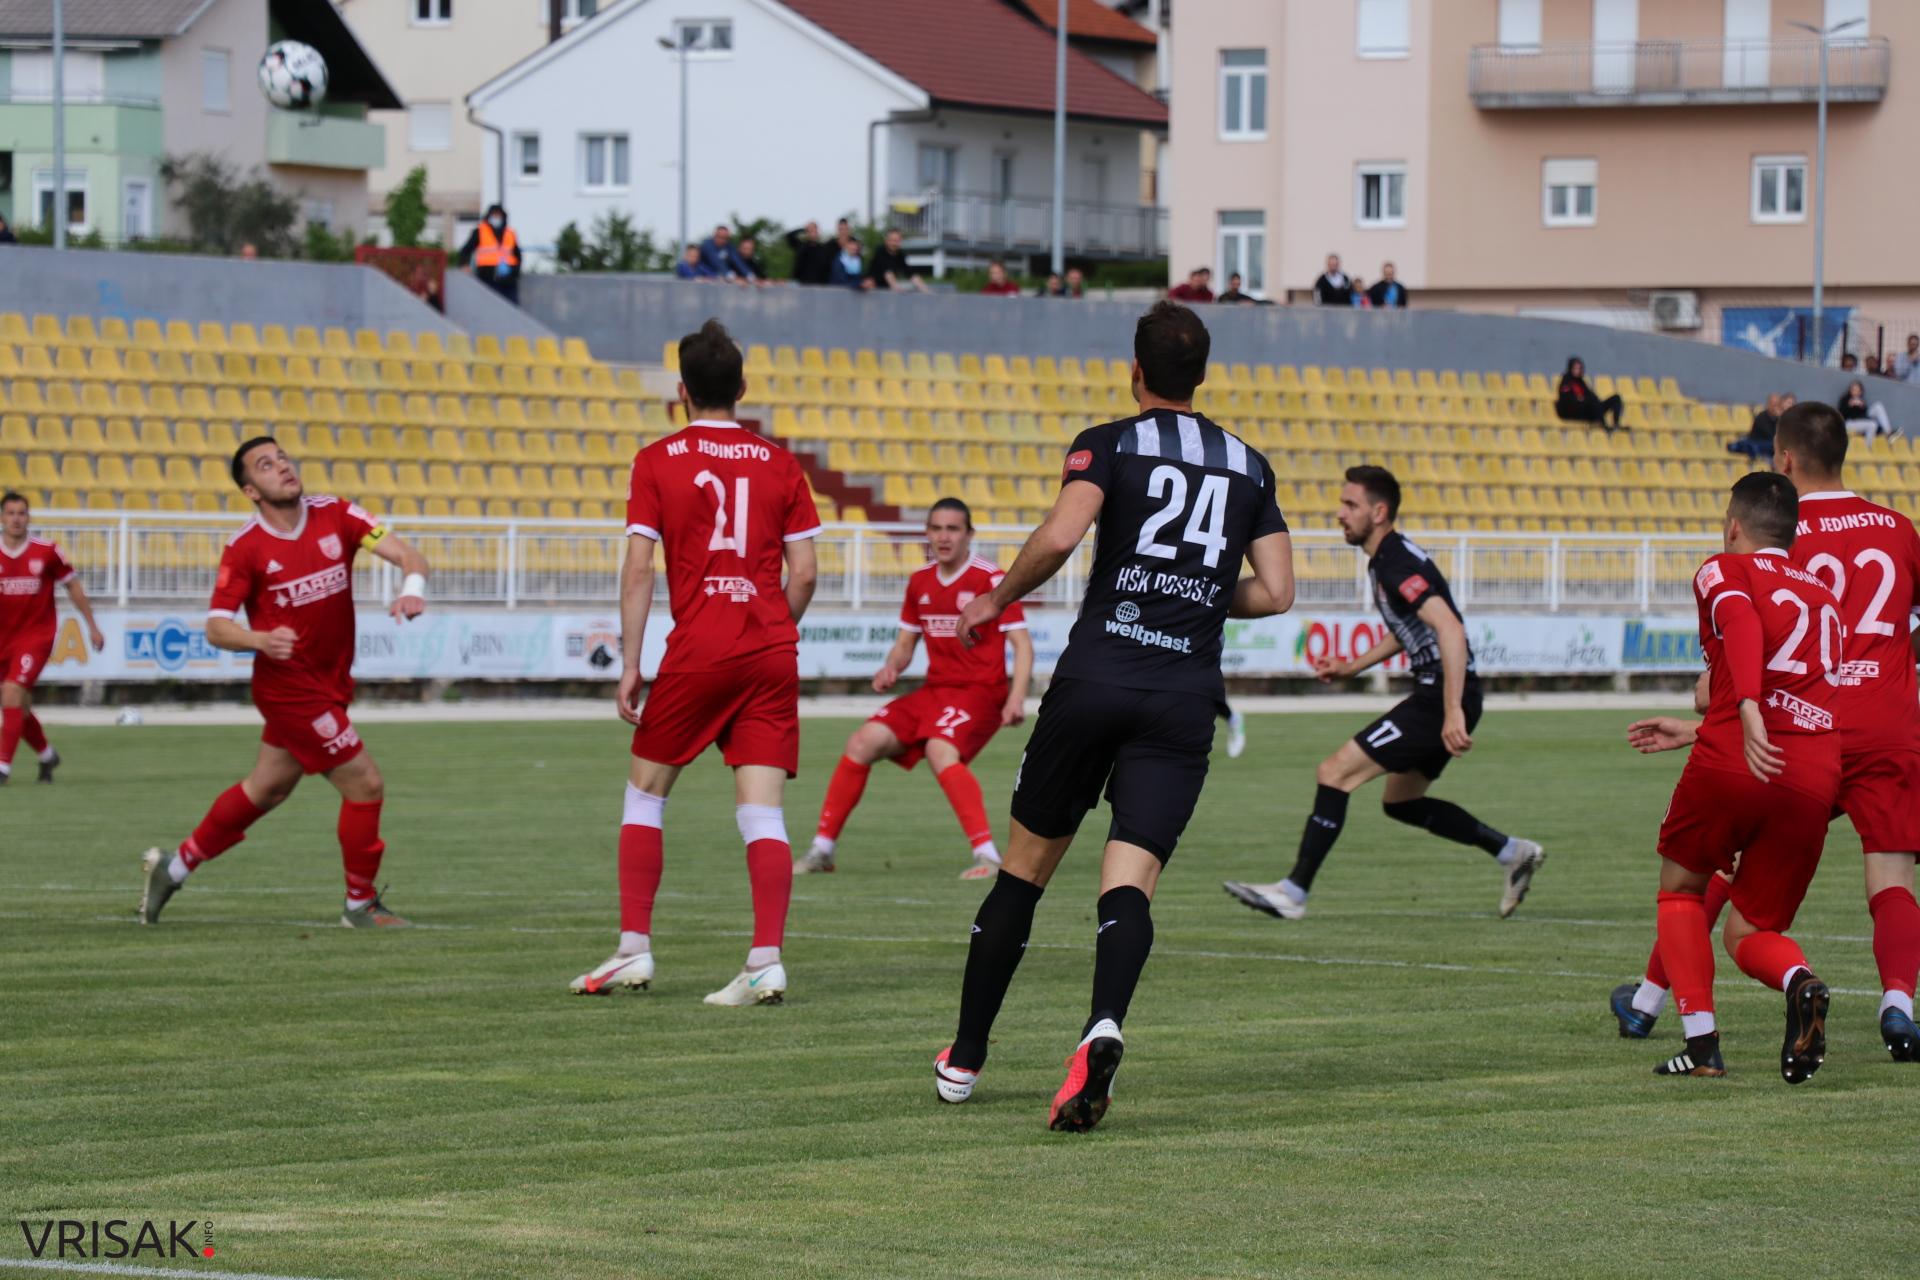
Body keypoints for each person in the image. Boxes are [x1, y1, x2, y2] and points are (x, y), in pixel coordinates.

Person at [934, 301, 1296, 1132]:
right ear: (1202, 375)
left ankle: (965, 1058)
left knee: (1024, 870)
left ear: (1135, 371)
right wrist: (1200, 598)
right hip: (1181, 700)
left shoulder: (1112, 439)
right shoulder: (1250, 465)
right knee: (1129, 883)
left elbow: (1063, 537)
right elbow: (1276, 593)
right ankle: (1101, 1026)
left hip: (1097, 678)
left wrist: (992, 595)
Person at [1615, 403, 1920, 1063]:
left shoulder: (1781, 531)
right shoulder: (1899, 529)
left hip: (1790, 724)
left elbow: (1748, 641)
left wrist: (1723, 706)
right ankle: (1899, 1006)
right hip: (1883, 720)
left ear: (1782, 459)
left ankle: (1651, 1003)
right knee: (1891, 874)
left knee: (1713, 862)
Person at [570, 320, 821, 1005]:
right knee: (763, 812)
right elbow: (804, 574)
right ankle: (765, 958)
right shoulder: (781, 463)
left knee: (645, 794)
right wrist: (771, 629)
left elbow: (638, 571)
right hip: (771, 650)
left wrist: (630, 662)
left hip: (700, 647)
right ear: (742, 388)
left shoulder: (657, 460)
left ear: (681, 392)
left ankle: (632, 950)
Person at [1223, 467, 1545, 923]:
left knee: (1334, 773)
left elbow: (1450, 628)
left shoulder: (1395, 562)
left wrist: (1451, 710)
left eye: (1350, 505)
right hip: (1449, 692)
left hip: (1439, 695)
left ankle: (1293, 891)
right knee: (1401, 803)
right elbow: (1412, 626)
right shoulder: (1388, 558)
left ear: (1379, 511)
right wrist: (1353, 666)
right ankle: (1512, 852)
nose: (1340, 514)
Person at [139, 440, 431, 927]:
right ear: (251, 490)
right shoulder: (245, 548)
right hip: (289, 691)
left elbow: (409, 556)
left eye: (282, 458)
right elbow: (215, 626)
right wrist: (259, 639)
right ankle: (359, 905)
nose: (283, 467)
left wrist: (412, 590)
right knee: (365, 783)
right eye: (266, 465)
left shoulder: (337, 513)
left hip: (330, 681)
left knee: (266, 789)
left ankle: (172, 869)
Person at [1617, 474, 1844, 1080]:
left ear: (1733, 524)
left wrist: (1743, 705)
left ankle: (1701, 1046)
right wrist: (1703, 724)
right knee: (1751, 930)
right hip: (1813, 776)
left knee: (1681, 891)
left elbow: (1742, 625)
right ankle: (1801, 980)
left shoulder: (1724, 569)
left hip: (1740, 758)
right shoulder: (1824, 597)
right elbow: (1807, 697)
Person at [798, 498, 1033, 880]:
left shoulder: (991, 580)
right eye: (936, 528)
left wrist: (1015, 697)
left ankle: (988, 856)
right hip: (935, 691)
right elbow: (906, 644)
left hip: (981, 693)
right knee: (862, 742)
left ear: (969, 535)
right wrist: (891, 667)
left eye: (953, 529)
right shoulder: (919, 581)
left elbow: (1022, 645)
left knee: (941, 750)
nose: (943, 537)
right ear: (926, 533)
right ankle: (822, 850)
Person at [0, 493, 104, 785]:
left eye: (22, 513)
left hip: (35, 637)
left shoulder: (47, 551)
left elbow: (73, 587)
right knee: (17, 705)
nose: (16, 519)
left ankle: (3, 768)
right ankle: (47, 756)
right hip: (2, 639)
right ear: (2, 518)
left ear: (29, 517)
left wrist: (92, 627)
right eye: (11, 513)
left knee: (11, 693)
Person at [457, 205, 521, 304]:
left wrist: (514, 271)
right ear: (489, 216)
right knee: (490, 305)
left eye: (498, 215)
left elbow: (517, 255)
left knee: (511, 307)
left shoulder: (510, 233)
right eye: (494, 215)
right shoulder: (480, 231)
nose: (496, 218)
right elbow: (466, 250)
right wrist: (464, 264)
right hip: (487, 277)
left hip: (508, 280)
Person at [1555, 357, 1624, 432]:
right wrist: (1580, 400)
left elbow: (1590, 396)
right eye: (1576, 368)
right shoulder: (1566, 381)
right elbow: (1566, 399)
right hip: (1571, 413)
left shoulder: (1581, 382)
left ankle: (1616, 424)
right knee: (1592, 402)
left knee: (1616, 398)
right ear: (1570, 368)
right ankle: (1604, 426)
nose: (1578, 370)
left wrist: (1585, 400)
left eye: (1580, 368)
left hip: (1587, 411)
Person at [1729, 392, 1786, 461]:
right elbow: (1771, 434)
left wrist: (1781, 418)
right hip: (1758, 443)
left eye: (1778, 406)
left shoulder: (1780, 419)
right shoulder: (1761, 418)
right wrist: (1779, 418)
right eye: (1774, 405)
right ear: (1768, 405)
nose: (1776, 408)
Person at [784, 221, 835, 286]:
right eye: (810, 231)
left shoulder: (823, 249)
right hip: (801, 285)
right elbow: (788, 236)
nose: (813, 233)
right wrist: (803, 229)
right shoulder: (801, 246)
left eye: (814, 230)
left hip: (818, 285)